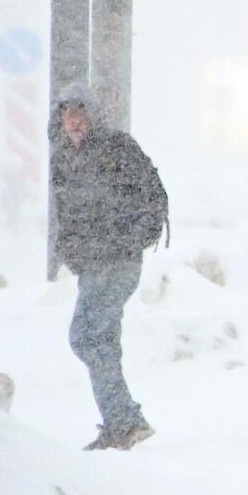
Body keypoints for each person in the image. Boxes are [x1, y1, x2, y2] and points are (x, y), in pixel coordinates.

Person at [50, 87, 167, 452]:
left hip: (117, 260)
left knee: (85, 336)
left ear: (95, 115)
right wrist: (69, 250)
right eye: (68, 113)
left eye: (81, 113)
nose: (74, 121)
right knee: (102, 340)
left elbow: (154, 197)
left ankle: (124, 421)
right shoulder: (64, 160)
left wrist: (128, 238)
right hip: (92, 263)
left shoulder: (118, 148)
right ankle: (123, 423)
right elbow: (66, 214)